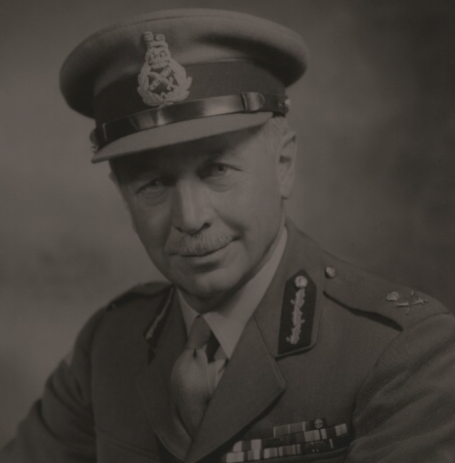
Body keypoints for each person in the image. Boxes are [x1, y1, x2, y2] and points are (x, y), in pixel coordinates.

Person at [2, 7, 455, 463]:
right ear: (123, 196)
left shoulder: (401, 351)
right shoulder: (108, 347)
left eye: (217, 169)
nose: (190, 218)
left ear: (283, 165)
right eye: (153, 184)